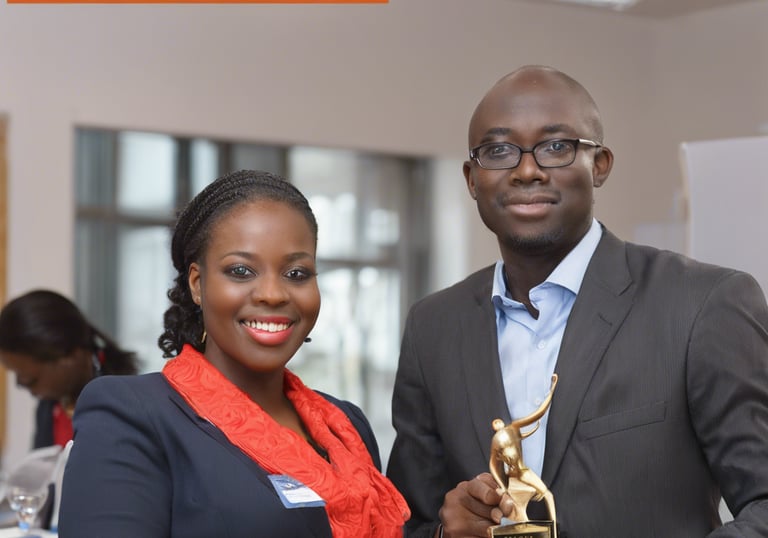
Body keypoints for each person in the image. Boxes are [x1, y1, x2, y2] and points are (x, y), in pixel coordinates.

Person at [386, 65, 768, 537]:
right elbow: (402, 522)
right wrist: (446, 533)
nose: (527, 170)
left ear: (600, 164)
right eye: (499, 150)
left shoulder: (702, 304)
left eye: (556, 147)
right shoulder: (433, 327)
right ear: (471, 177)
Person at [59, 169, 410, 537]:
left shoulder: (345, 425)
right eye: (241, 271)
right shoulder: (132, 414)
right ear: (198, 284)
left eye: (297, 273)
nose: (273, 294)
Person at [0, 289, 140, 449]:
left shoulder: (124, 406)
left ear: (69, 357)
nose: (21, 385)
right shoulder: (50, 407)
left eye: (30, 380)